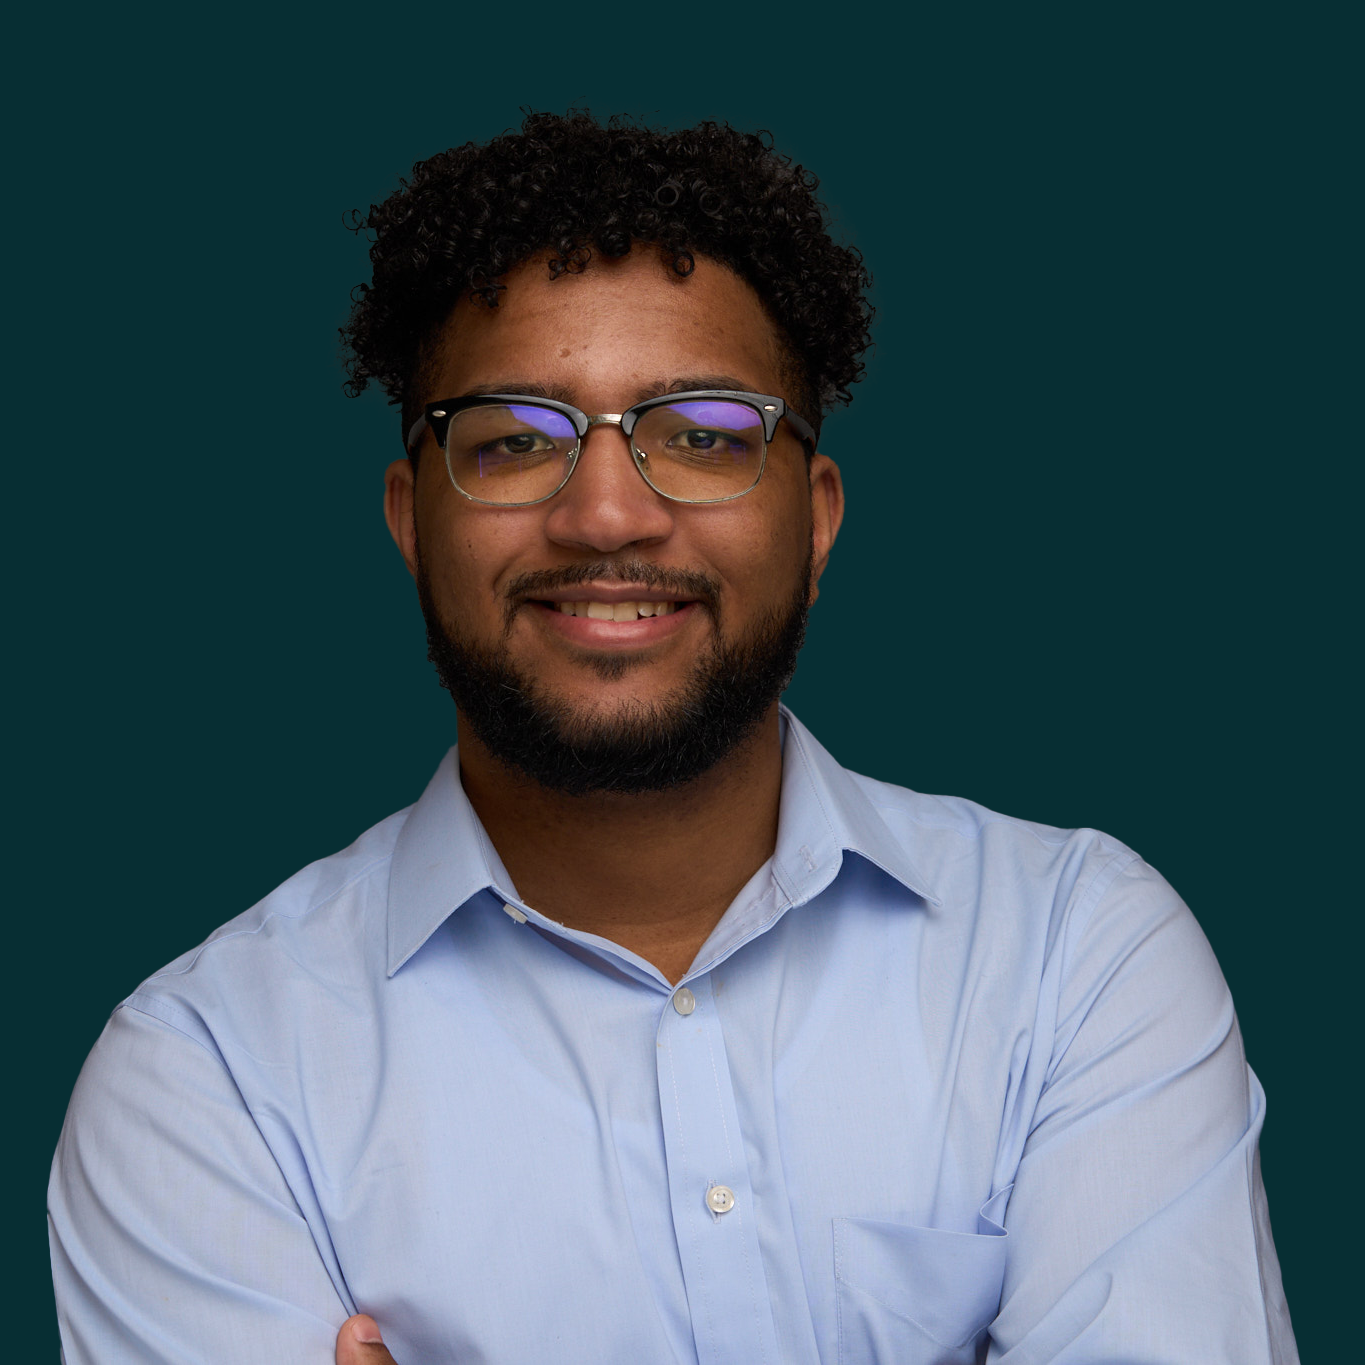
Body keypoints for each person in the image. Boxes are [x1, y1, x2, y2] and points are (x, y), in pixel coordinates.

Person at [48, 112, 1298, 1365]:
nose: (605, 514)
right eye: (513, 441)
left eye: (702, 435)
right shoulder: (207, 1083)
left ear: (814, 520)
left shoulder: (1078, 962)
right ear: (409, 520)